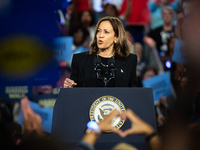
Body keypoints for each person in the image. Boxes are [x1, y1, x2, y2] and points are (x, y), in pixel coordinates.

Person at [64, 16, 137, 88]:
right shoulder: (79, 60)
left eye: (106, 32)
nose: (100, 35)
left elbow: (133, 94)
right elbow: (74, 92)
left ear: (116, 38)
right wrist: (69, 87)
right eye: (99, 31)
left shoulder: (130, 61)